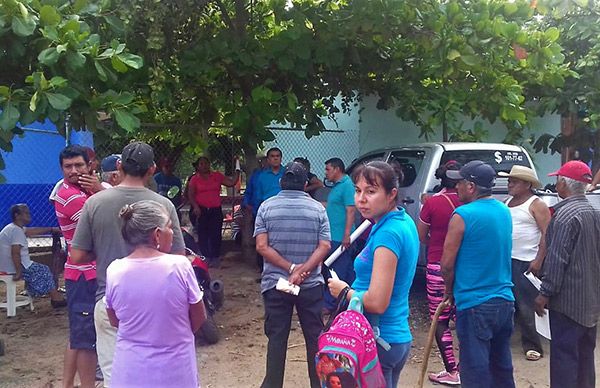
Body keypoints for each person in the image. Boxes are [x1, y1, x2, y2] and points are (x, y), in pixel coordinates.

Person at [70, 141, 185, 387]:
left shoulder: (95, 203)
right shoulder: (164, 205)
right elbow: (178, 255)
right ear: (152, 169)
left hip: (110, 300)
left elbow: (77, 256)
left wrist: (102, 251)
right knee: (156, 371)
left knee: (116, 374)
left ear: (120, 166)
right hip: (156, 300)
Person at [329, 161, 419, 388]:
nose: (361, 199)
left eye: (371, 191)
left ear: (392, 194)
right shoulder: (400, 220)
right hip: (392, 335)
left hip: (379, 338)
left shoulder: (388, 234)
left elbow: (378, 302)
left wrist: (344, 291)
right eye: (358, 191)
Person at [105, 200, 205, 388]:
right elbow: (199, 316)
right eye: (169, 227)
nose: (173, 232)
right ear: (157, 234)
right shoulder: (179, 266)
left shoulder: (115, 270)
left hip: (130, 368)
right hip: (175, 365)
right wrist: (175, 336)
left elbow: (114, 319)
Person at [254, 162, 331, 388]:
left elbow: (261, 246)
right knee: (315, 338)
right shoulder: (318, 209)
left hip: (277, 284)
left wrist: (290, 269)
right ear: (306, 184)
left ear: (281, 182)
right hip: (310, 285)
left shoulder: (267, 207)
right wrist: (303, 270)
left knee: (277, 338)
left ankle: (273, 384)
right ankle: (319, 385)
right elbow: (325, 245)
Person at [441, 160, 515, 388]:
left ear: (471, 187)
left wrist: (448, 292)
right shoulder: (504, 210)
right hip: (504, 301)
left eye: (460, 182)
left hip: (475, 304)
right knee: (502, 368)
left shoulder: (462, 214)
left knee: (475, 371)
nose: (457, 187)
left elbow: (446, 264)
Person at [534, 160, 600, 388]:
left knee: (564, 360)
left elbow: (557, 260)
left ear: (563, 184)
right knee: (585, 359)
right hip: (589, 301)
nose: (555, 184)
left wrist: (544, 293)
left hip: (567, 303)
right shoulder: (593, 212)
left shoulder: (563, 216)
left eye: (557, 180)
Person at [53, 145, 99, 388]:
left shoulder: (82, 192)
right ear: (61, 169)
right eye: (68, 167)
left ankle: (67, 384)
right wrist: (100, 189)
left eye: (78, 165)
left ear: (89, 166)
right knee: (86, 340)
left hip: (81, 274)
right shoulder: (71, 196)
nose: (73, 171)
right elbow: (100, 226)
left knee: (78, 335)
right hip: (84, 276)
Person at [417, 160, 462, 385]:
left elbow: (421, 235)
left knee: (440, 319)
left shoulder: (433, 203)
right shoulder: (469, 202)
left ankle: (452, 370)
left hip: (437, 265)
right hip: (464, 267)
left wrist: (436, 243)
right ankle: (466, 367)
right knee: (463, 317)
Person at [503, 165, 550, 362]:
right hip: (506, 259)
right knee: (507, 302)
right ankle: (506, 339)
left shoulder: (536, 204)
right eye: (510, 181)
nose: (509, 184)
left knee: (526, 304)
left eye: (514, 181)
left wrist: (539, 259)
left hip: (526, 261)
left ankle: (532, 344)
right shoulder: (507, 202)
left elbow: (548, 233)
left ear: (527, 184)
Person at [0, 204, 66, 307]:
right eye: (26, 213)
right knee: (44, 270)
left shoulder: (15, 228)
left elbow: (31, 231)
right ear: (17, 215)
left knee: (41, 270)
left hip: (12, 264)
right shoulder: (16, 230)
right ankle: (55, 298)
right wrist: (18, 272)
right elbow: (15, 253)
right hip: (12, 266)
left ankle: (45, 294)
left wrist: (51, 229)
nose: (29, 215)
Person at [188, 156, 240, 267]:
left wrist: (237, 170)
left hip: (215, 209)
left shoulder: (217, 176)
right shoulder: (194, 179)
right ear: (197, 166)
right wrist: (195, 207)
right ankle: (206, 257)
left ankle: (215, 257)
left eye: (206, 163)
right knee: (203, 234)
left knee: (216, 233)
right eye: (201, 164)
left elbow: (232, 183)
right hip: (201, 210)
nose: (204, 166)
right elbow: (190, 195)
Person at [322, 157, 356, 314]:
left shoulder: (347, 186)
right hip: (335, 234)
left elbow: (351, 210)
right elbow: (333, 207)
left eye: (328, 169)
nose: (326, 173)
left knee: (336, 270)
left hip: (340, 235)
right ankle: (346, 302)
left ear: (337, 169)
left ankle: (330, 304)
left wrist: (347, 234)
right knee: (346, 269)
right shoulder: (337, 186)